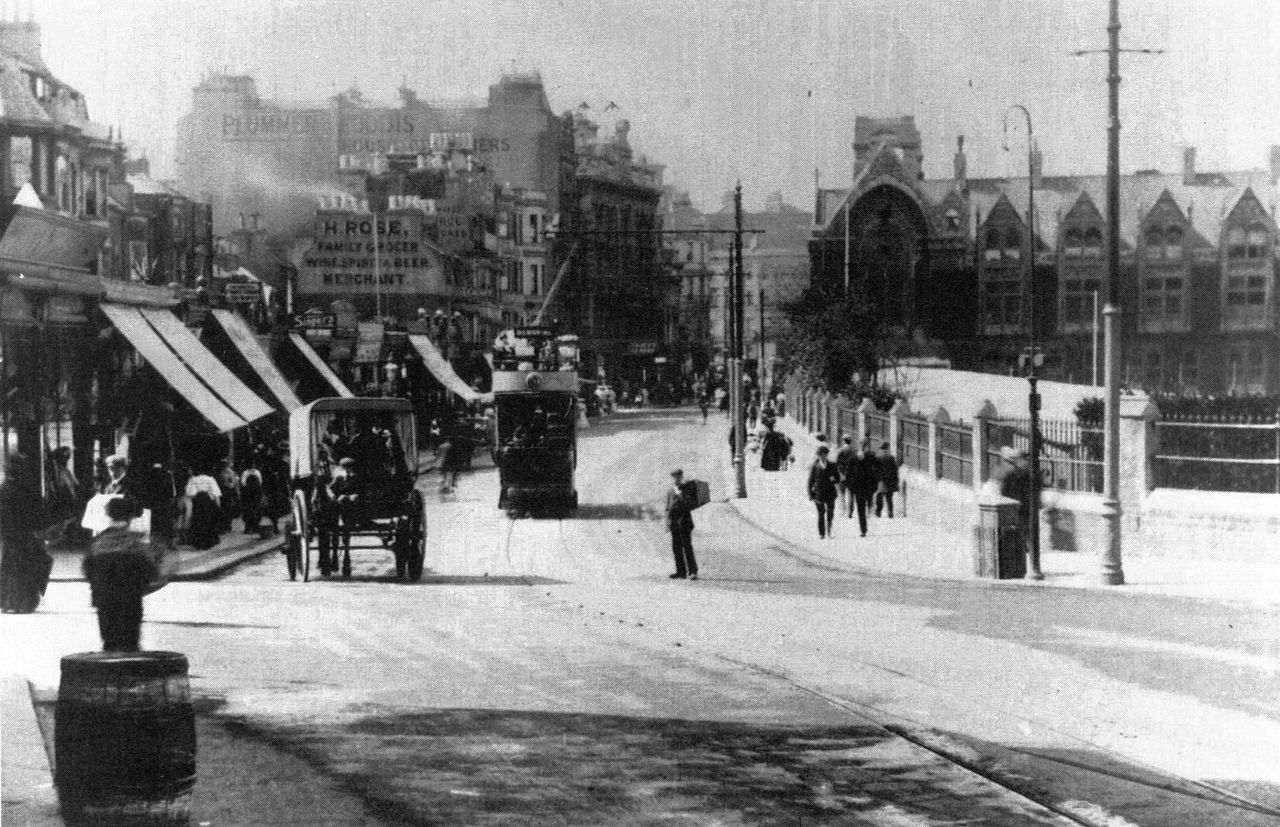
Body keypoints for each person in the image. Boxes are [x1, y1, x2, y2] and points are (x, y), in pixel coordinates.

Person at [83, 495, 158, 652]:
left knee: (109, 642)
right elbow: (149, 570)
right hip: (130, 600)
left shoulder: (98, 542)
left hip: (104, 600)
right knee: (130, 643)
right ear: (130, 517)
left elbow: (87, 569)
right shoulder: (135, 543)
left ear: (109, 515)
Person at [1, 453, 53, 613]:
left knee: (10, 566)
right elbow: (39, 514)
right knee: (26, 567)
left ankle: (8, 602)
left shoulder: (3, 489)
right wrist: (41, 530)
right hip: (27, 534)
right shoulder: (29, 490)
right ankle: (25, 602)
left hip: (10, 535)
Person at [997, 445, 1032, 562]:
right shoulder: (1011, 474)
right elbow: (1004, 493)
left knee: (1022, 532)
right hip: (1016, 507)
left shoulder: (1024, 474)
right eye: (1024, 460)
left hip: (1021, 508)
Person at [665, 469, 697, 580]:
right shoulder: (670, 491)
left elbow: (689, 503)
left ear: (681, 477)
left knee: (687, 547)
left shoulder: (686, 489)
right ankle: (680, 572)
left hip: (685, 522)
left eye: (678, 477)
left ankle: (692, 571)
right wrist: (667, 523)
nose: (676, 479)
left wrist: (681, 494)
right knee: (676, 548)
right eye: (674, 477)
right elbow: (667, 508)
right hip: (674, 523)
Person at [183, 464, 223, 550]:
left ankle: (198, 542)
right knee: (208, 521)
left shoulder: (193, 480)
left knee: (198, 521)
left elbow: (190, 493)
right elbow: (216, 493)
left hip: (197, 501)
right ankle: (208, 542)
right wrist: (218, 506)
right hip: (208, 501)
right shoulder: (210, 479)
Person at [806, 445, 840, 540]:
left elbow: (837, 478)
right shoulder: (815, 466)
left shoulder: (832, 465)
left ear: (826, 455)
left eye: (823, 455)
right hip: (819, 493)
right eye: (820, 455)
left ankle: (829, 530)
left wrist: (834, 480)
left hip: (830, 493)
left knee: (830, 513)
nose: (822, 456)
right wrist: (810, 494)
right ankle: (822, 533)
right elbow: (810, 481)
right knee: (821, 513)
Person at [849, 438, 880, 537]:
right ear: (867, 445)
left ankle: (863, 529)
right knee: (867, 503)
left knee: (860, 508)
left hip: (859, 487)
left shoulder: (854, 457)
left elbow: (850, 473)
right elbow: (877, 470)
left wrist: (851, 486)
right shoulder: (872, 456)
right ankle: (869, 513)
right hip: (869, 485)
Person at [874, 442, 900, 518]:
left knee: (879, 496)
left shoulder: (877, 457)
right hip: (889, 480)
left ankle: (878, 511)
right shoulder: (891, 457)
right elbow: (895, 470)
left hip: (880, 480)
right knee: (889, 498)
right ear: (887, 448)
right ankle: (890, 512)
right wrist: (896, 481)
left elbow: (874, 469)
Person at [834, 435, 857, 517]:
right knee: (851, 493)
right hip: (851, 475)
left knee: (842, 493)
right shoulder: (854, 451)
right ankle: (850, 512)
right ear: (850, 441)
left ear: (844, 441)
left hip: (842, 474)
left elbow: (836, 463)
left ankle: (842, 510)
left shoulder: (840, 451)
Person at [240, 458, 264, 535]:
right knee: (256, 510)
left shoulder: (245, 473)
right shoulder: (257, 472)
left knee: (248, 510)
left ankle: (248, 528)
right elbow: (260, 482)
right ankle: (255, 527)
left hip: (248, 495)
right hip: (256, 494)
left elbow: (243, 483)